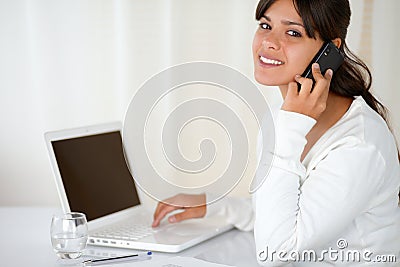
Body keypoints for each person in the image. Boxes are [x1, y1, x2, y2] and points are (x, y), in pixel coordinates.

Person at [152, 0, 400, 265]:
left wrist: (291, 124)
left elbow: (277, 253)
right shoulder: (282, 115)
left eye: (293, 32)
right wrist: (215, 205)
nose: (268, 41)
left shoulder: (358, 145)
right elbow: (283, 212)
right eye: (265, 25)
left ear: (330, 50)